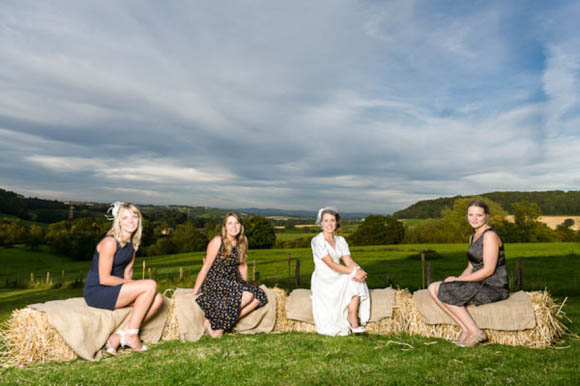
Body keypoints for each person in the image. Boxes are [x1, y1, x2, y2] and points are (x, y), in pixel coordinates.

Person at [84, 202, 164, 355]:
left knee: (158, 299)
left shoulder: (132, 244)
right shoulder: (109, 242)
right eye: (125, 218)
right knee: (150, 284)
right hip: (98, 291)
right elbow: (104, 279)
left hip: (117, 289)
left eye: (135, 217)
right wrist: (139, 285)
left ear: (139, 220)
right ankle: (132, 335)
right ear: (118, 221)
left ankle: (118, 336)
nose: (131, 221)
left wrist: (137, 288)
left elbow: (128, 273)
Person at [428, 199, 509, 347]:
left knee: (444, 290)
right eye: (471, 215)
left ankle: (476, 332)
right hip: (477, 282)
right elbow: (470, 266)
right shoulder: (473, 237)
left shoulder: (489, 235)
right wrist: (457, 279)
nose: (474, 219)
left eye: (479, 215)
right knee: (433, 287)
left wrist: (460, 282)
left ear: (487, 216)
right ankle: (466, 329)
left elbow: (489, 270)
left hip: (493, 285)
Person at [191, 212, 268, 338]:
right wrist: (195, 291)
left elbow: (243, 265)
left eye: (237, 223)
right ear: (225, 227)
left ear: (241, 226)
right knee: (247, 296)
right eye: (230, 223)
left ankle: (217, 322)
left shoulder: (241, 242)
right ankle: (218, 331)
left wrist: (245, 284)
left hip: (233, 280)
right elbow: (206, 266)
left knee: (259, 296)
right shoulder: (217, 241)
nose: (234, 226)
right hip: (215, 280)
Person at [310, 207, 370, 336]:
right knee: (351, 278)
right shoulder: (317, 241)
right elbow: (331, 264)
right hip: (324, 277)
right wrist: (354, 273)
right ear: (321, 223)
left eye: (332, 220)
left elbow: (348, 261)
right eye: (326, 220)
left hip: (338, 273)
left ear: (337, 223)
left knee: (356, 280)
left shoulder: (341, 240)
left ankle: (352, 317)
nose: (329, 224)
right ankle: (352, 320)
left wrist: (359, 270)